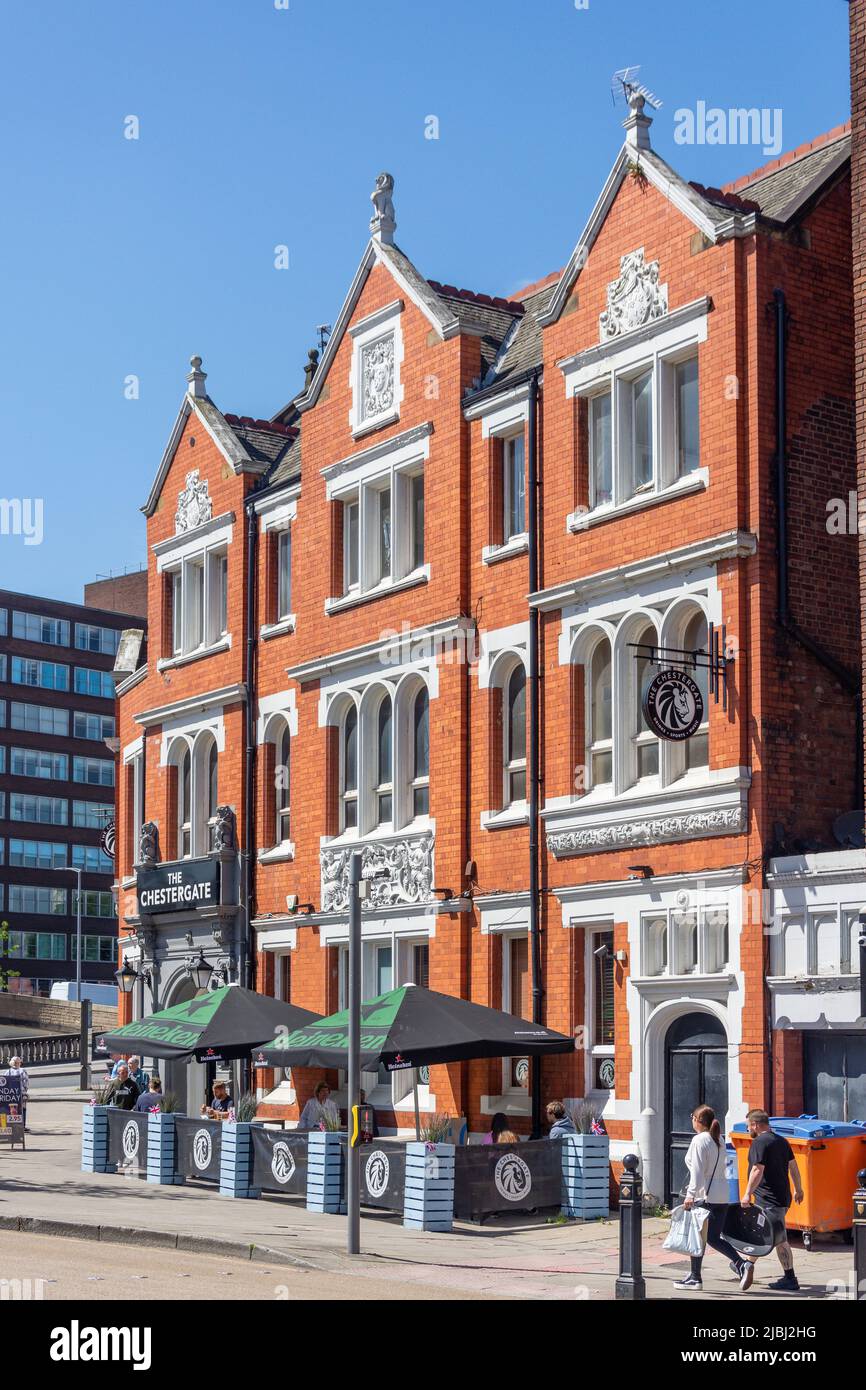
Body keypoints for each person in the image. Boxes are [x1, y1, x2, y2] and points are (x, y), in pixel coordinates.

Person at [672, 1104, 743, 1292]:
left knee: (697, 1237)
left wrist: (690, 1196)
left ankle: (696, 1278)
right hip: (722, 1195)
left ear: (697, 1120)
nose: (691, 1120)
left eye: (692, 1117)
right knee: (712, 1238)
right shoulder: (718, 1138)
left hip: (705, 1196)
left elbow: (697, 1172)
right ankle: (741, 1264)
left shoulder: (699, 1140)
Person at [737, 1108, 804, 1293]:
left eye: (748, 1126)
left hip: (768, 1199)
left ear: (756, 1125)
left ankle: (787, 1277)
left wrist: (746, 1193)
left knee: (778, 1238)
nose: (747, 1129)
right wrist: (799, 1189)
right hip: (782, 1198)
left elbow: (757, 1170)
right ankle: (745, 1266)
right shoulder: (781, 1141)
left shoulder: (760, 1142)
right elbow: (794, 1167)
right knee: (765, 1233)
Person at [6, 1056, 29, 1130]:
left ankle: (13, 1126)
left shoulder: (8, 1071)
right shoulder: (22, 1071)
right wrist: (25, 1092)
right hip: (20, 1093)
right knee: (22, 1109)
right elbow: (26, 1083)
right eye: (18, 1062)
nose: (18, 1063)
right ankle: (22, 1126)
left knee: (13, 1110)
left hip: (11, 1094)